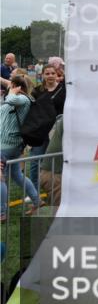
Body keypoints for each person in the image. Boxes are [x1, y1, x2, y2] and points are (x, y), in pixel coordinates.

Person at [1, 75, 40, 219]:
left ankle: (1, 213)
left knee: (0, 178)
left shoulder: (22, 99)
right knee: (17, 175)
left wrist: (12, 92)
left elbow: (10, 99)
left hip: (7, 145)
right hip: (10, 144)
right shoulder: (17, 98)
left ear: (17, 86)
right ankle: (37, 201)